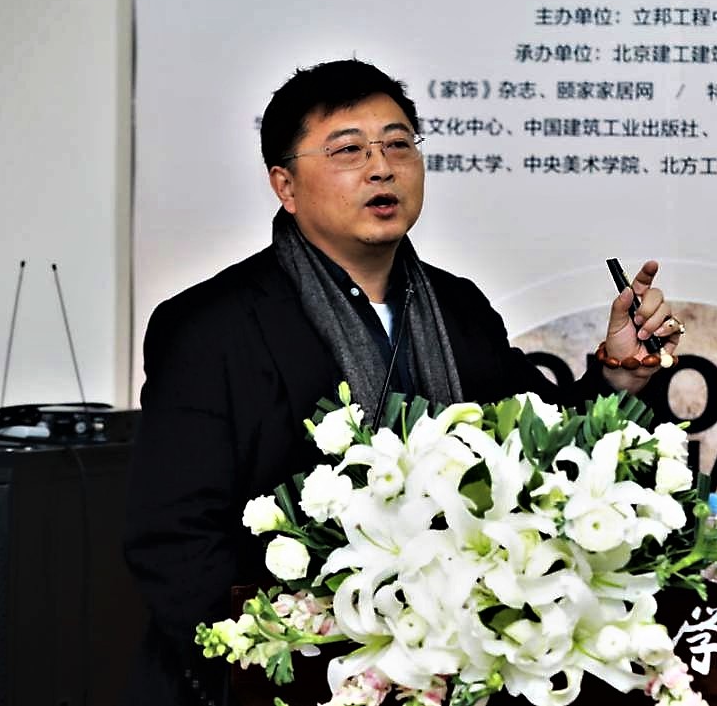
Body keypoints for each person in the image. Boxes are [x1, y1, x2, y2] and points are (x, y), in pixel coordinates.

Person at [122, 59, 683, 706]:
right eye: (348, 150)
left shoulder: (459, 308)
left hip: (448, 675)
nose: (381, 167)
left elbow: (537, 461)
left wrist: (618, 373)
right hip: (288, 680)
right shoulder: (209, 326)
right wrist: (292, 657)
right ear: (285, 184)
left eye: (397, 144)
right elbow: (173, 542)